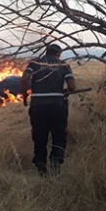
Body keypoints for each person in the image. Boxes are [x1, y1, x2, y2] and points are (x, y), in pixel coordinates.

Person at [20, 44, 76, 176]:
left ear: (46, 52)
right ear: (58, 54)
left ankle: (41, 166)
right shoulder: (63, 65)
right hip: (57, 106)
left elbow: (24, 79)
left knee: (39, 136)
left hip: (38, 106)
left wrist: (25, 94)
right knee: (59, 136)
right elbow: (72, 86)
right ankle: (56, 166)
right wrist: (66, 91)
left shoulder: (34, 63)